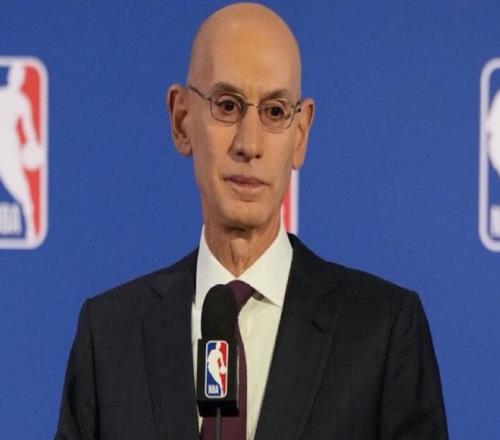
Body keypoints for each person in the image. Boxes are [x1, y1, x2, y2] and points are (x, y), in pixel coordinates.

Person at [55, 3, 448, 439]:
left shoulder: (383, 331)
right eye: (227, 105)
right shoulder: (110, 336)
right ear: (182, 120)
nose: (249, 143)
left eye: (275, 112)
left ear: (300, 136)